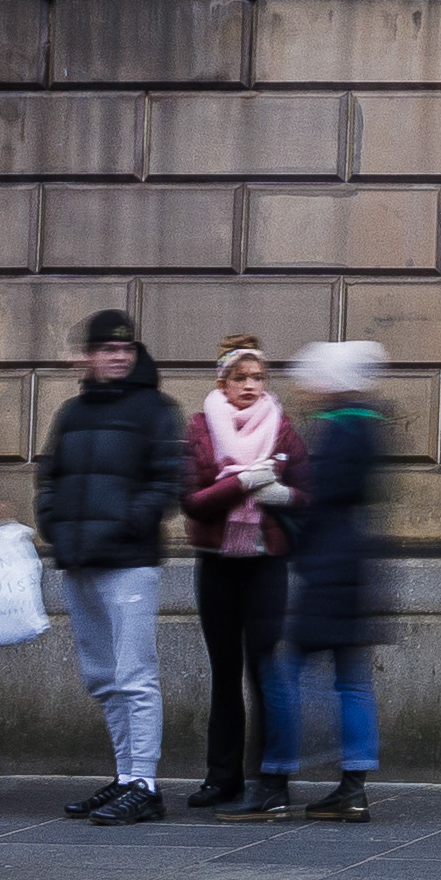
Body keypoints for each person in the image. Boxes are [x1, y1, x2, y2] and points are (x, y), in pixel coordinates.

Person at [37, 307, 183, 823]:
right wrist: (54, 525)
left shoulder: (156, 409)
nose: (118, 357)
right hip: (79, 562)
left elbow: (168, 483)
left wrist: (123, 523)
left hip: (128, 561)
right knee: (101, 675)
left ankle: (143, 781)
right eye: (107, 349)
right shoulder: (71, 413)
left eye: (125, 349)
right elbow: (49, 478)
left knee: (134, 673)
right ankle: (125, 775)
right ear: (88, 357)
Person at [264, 338, 397, 824]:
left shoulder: (339, 429)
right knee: (351, 679)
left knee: (286, 674)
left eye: (312, 378)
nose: (304, 387)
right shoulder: (366, 423)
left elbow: (319, 499)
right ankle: (352, 784)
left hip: (329, 568)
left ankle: (277, 774)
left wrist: (279, 496)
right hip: (354, 565)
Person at [180, 337, 295, 811]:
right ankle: (222, 776)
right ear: (222, 383)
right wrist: (243, 482)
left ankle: (271, 781)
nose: (250, 386)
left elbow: (309, 493)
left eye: (258, 377)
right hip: (218, 563)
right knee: (224, 672)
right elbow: (192, 499)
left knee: (265, 670)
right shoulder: (200, 428)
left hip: (267, 563)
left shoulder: (284, 429)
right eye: (240, 378)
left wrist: (284, 497)